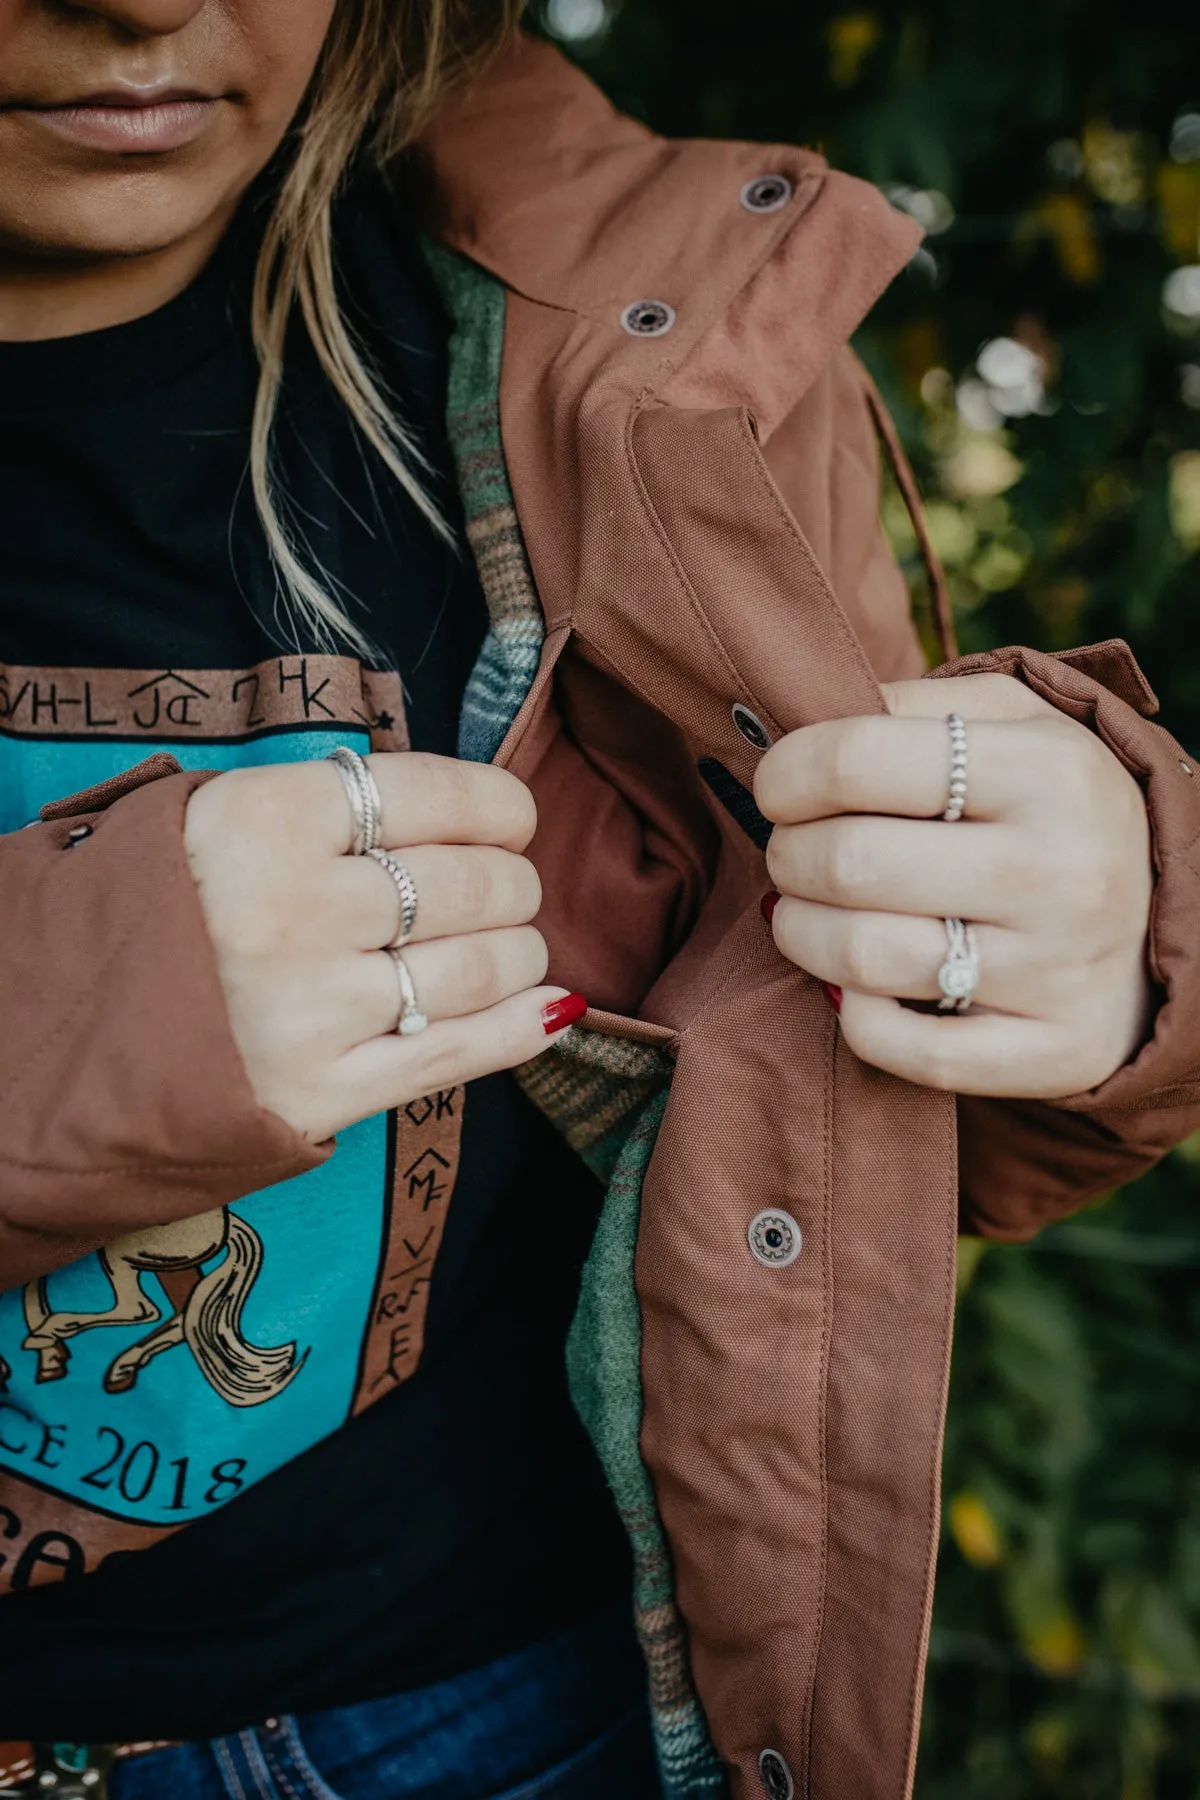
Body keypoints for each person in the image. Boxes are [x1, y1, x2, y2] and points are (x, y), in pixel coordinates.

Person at [1, 3, 1198, 1798]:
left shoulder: (665, 353)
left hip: (512, 1716)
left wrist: (1109, 954)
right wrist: (71, 1020)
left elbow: (827, 1150)